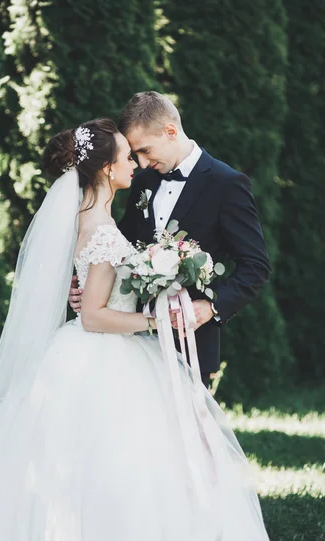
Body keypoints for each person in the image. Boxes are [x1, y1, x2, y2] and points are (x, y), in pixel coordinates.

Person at [0, 118, 296, 541]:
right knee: (114, 468)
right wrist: (154, 320)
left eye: (137, 153)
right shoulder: (105, 220)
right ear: (105, 167)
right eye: (127, 157)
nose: (136, 165)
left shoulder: (165, 195)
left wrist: (177, 304)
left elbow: (245, 266)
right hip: (109, 351)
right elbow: (98, 312)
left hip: (116, 349)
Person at [69, 92, 271, 388]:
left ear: (171, 131)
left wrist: (212, 307)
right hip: (129, 343)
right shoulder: (144, 181)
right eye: (134, 154)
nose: (141, 162)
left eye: (145, 150)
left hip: (190, 342)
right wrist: (88, 289)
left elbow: (256, 265)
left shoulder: (227, 184)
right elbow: (119, 246)